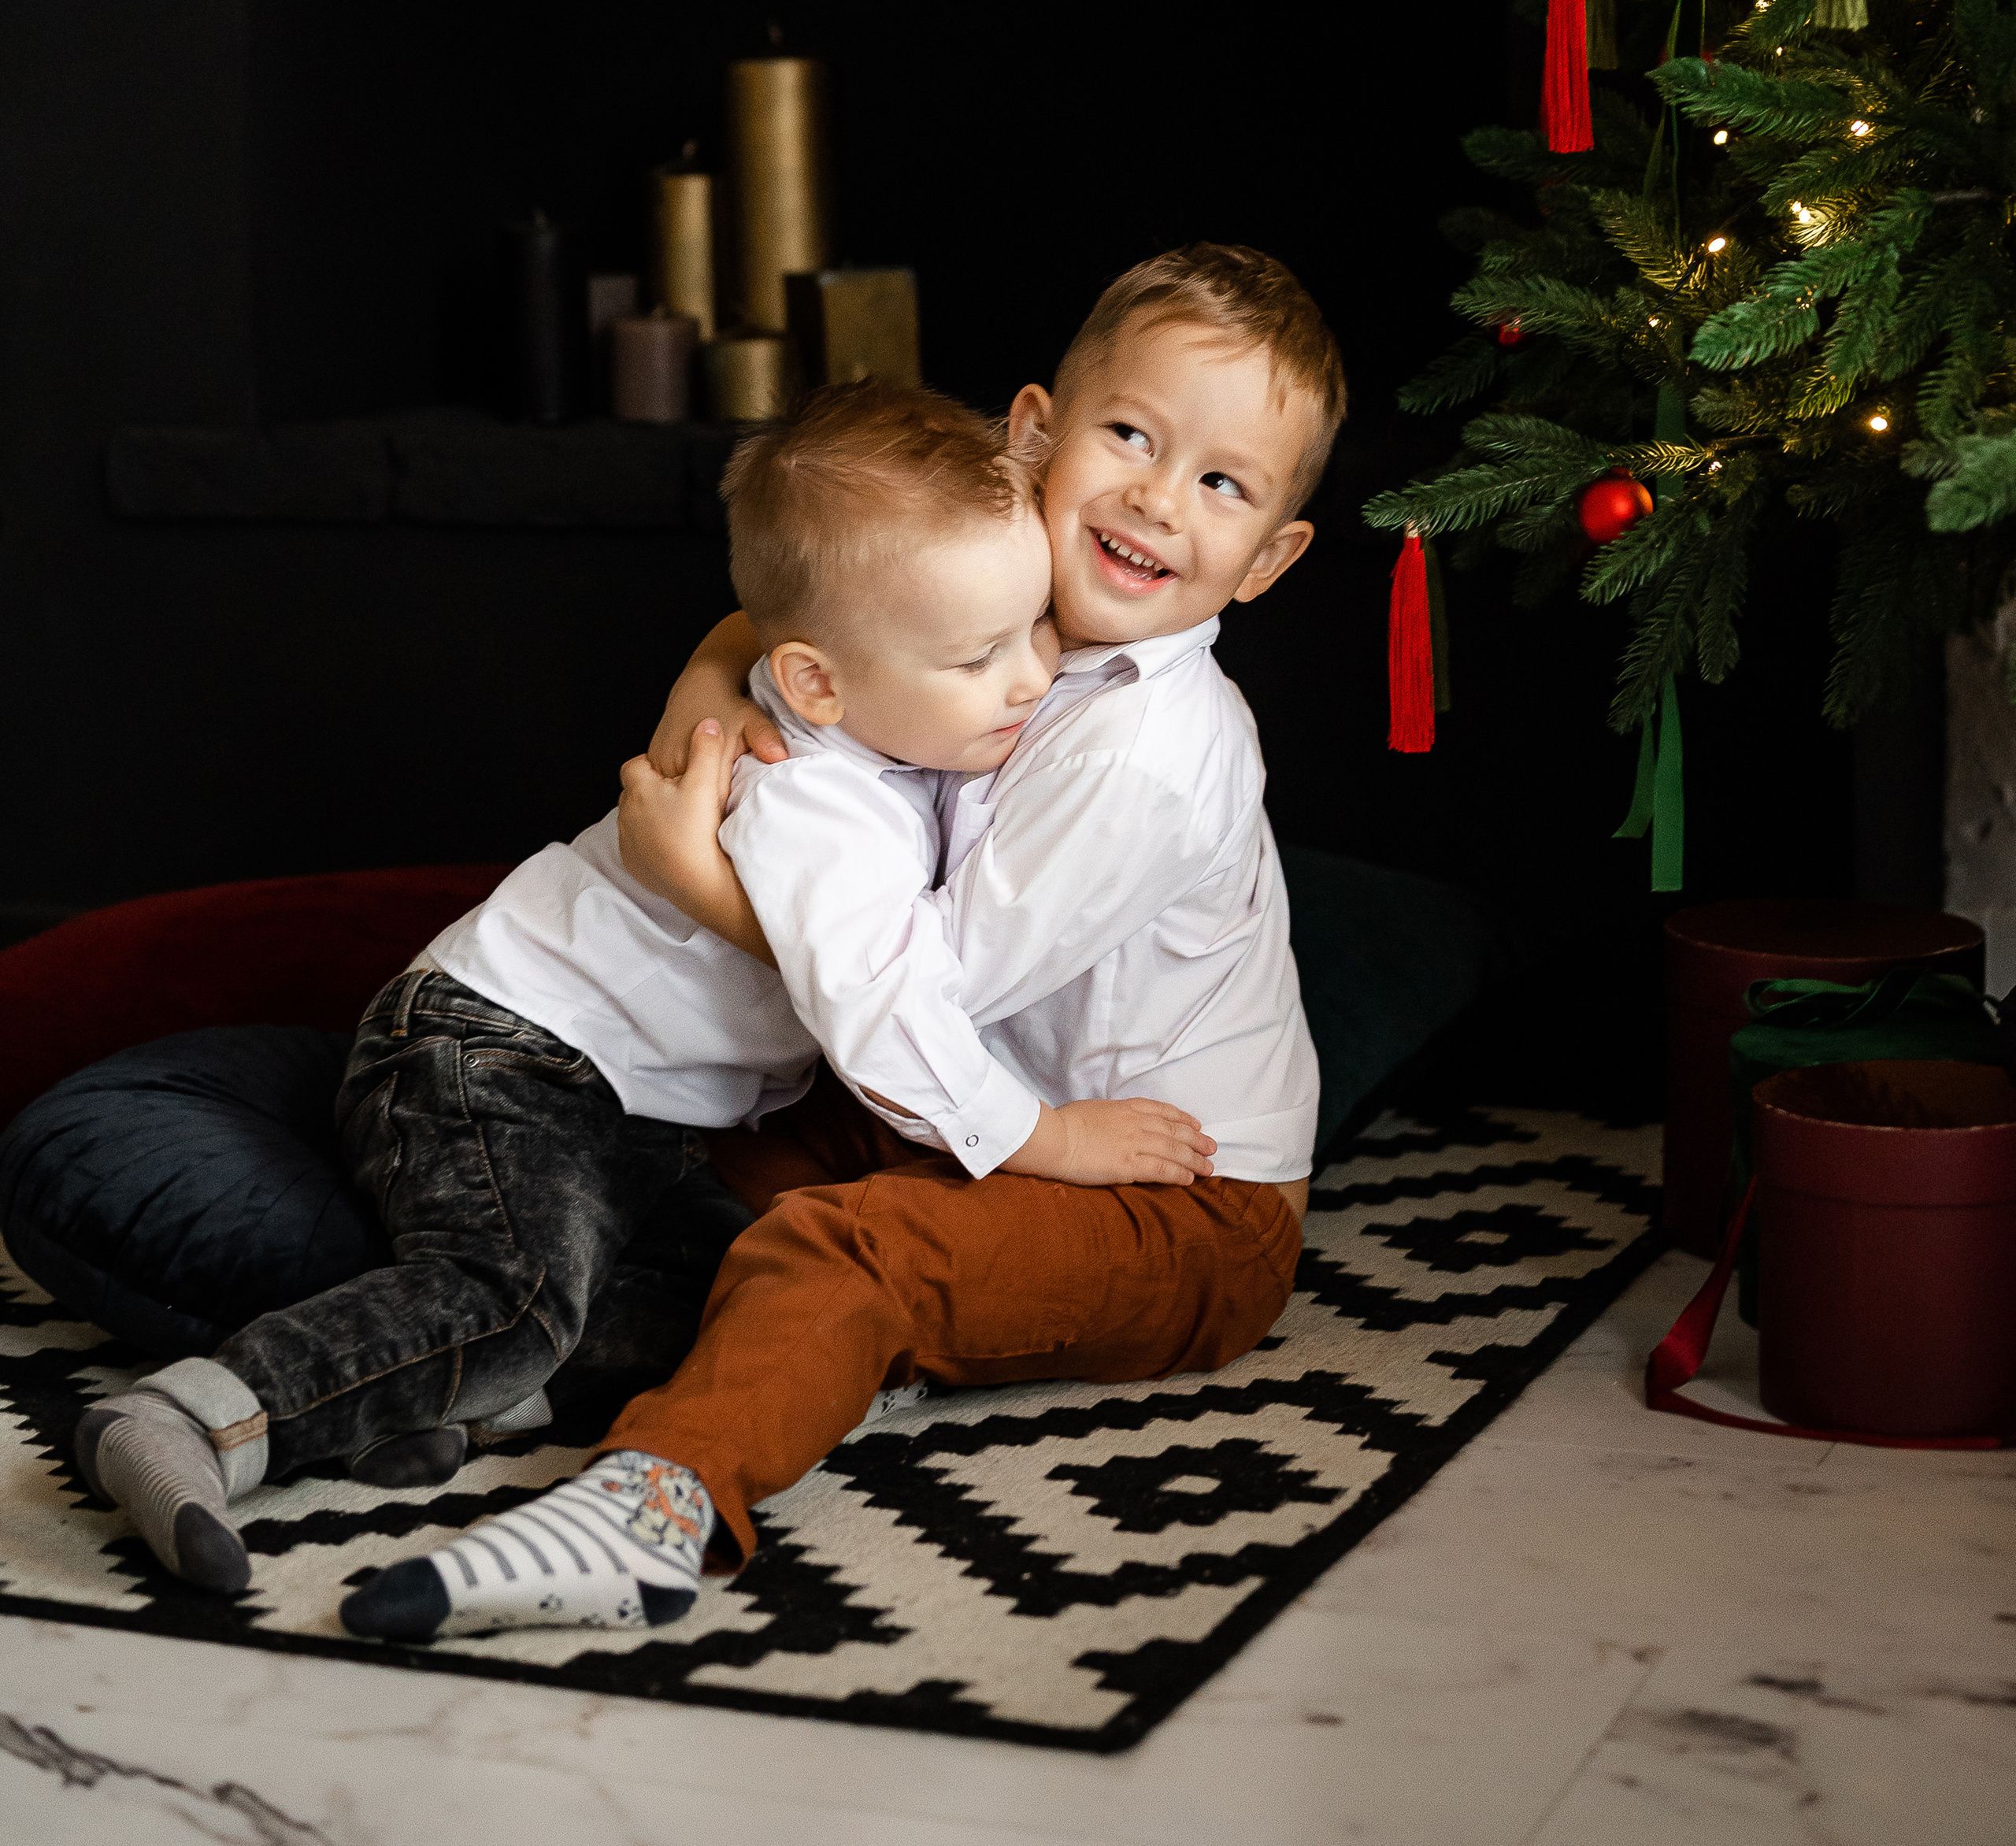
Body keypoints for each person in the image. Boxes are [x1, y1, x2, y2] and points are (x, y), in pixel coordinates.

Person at [341, 240, 1343, 1645]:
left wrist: (692, 879)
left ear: (1270, 559)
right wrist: (702, 700)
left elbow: (911, 992)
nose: (1158, 500)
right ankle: (490, 1337)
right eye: (1132, 435)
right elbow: (775, 617)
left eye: (1223, 484)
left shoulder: (1154, 755)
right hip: (958, 1101)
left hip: (1168, 1193)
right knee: (676, 1164)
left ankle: (654, 1504)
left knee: (842, 1252)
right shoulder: (995, 604)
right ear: (1034, 433)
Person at [75, 383, 1147, 1599]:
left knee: (739, 1288)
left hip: (628, 1113)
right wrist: (1049, 1134)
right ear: (820, 680)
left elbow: (756, 632)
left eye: (1034, 630)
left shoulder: (892, 732)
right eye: (980, 654)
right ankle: (195, 1416)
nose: (1028, 680)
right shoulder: (815, 802)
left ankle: (435, 1400)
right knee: (516, 1291)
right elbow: (884, 1022)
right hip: (501, 1051)